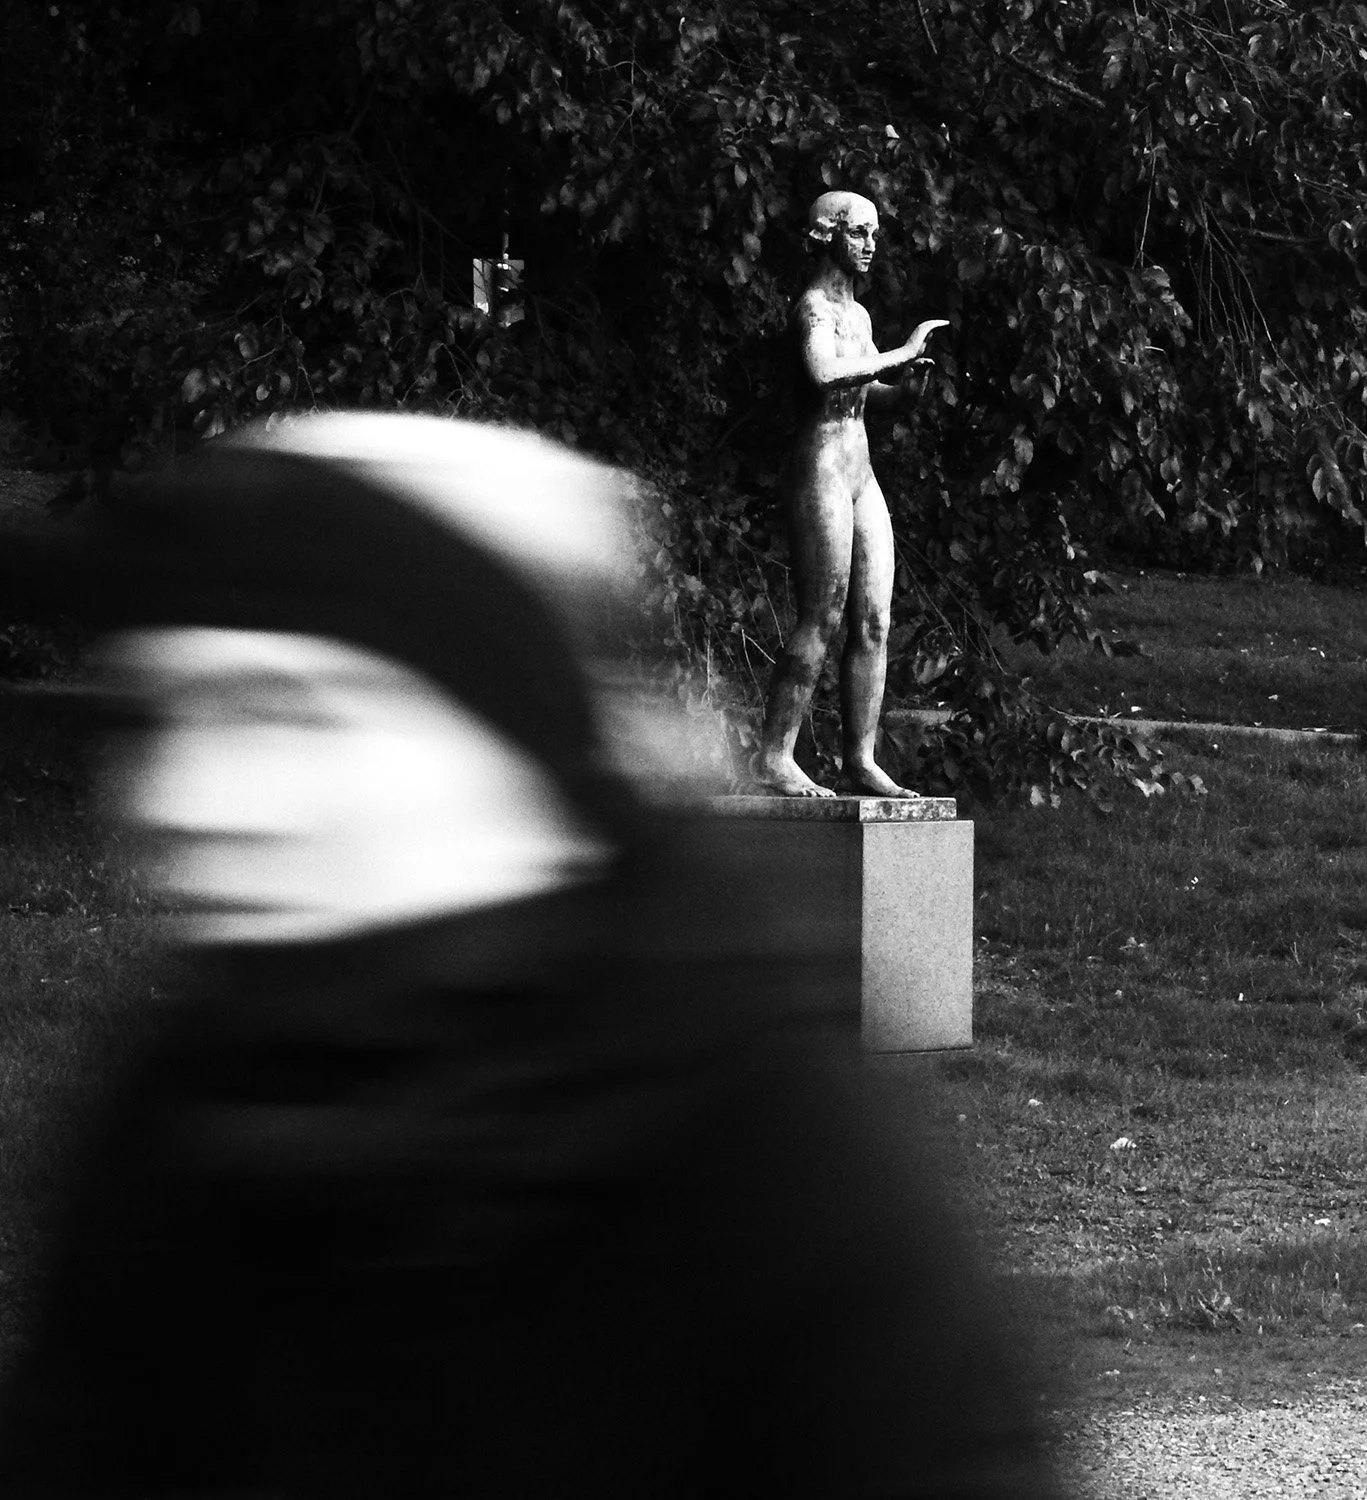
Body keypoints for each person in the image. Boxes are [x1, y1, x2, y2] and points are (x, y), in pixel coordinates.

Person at [0, 413, 1067, 1499]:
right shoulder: (177, 1109)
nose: (180, 796)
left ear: (525, 763)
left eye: (290, 712)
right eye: (160, 716)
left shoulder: (771, 1161)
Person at [754, 190, 947, 799]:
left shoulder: (858, 315)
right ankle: (774, 754)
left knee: (875, 621)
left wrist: (905, 390)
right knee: (824, 613)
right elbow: (824, 374)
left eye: (874, 233)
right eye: (859, 232)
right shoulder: (814, 307)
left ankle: (859, 759)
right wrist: (902, 353)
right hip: (822, 469)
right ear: (826, 234)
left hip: (861, 472)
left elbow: (864, 393)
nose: (870, 244)